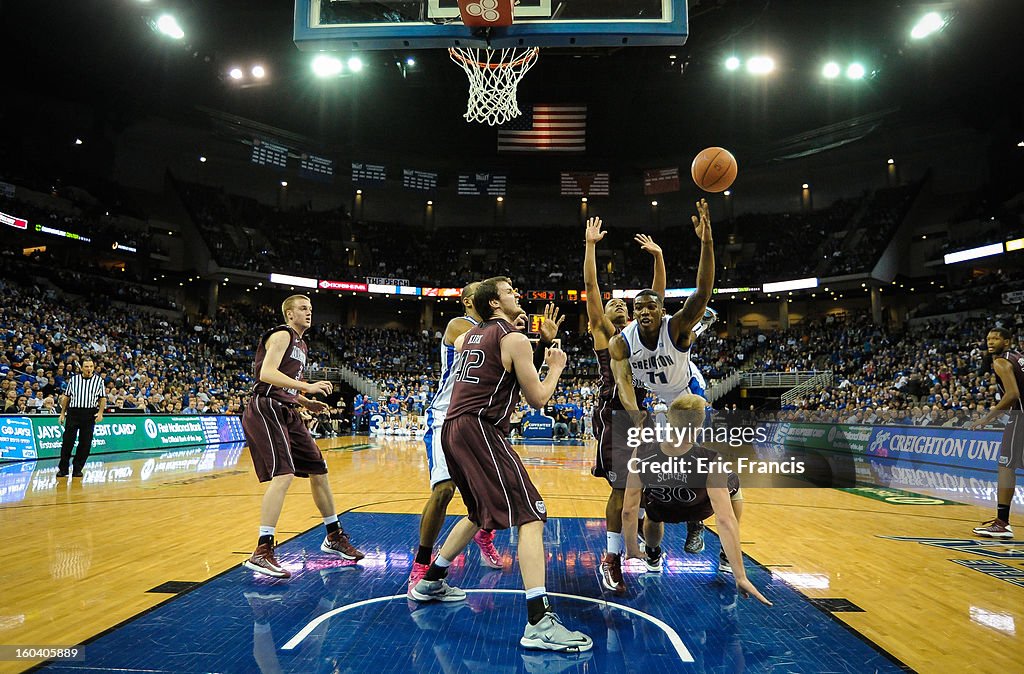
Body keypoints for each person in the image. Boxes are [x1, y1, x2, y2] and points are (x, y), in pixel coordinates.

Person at [409, 277, 591, 653]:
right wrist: (555, 365)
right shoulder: (512, 338)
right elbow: (539, 398)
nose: (517, 295)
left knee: (477, 513)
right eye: (509, 292)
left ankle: (431, 580)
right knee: (532, 515)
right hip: (479, 428)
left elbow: (502, 363)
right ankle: (540, 622)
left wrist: (536, 344)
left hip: (452, 429)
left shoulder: (475, 336)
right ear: (493, 303)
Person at [610, 198, 716, 557]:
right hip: (656, 397)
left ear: (662, 309)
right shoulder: (622, 341)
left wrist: (706, 243)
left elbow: (701, 292)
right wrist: (632, 411)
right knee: (654, 461)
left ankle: (696, 523)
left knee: (689, 459)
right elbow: (623, 382)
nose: (643, 310)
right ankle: (651, 520)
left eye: (651, 305)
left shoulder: (674, 324)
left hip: (688, 392)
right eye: (637, 306)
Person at [240, 295, 365, 579]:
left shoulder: (302, 344)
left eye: (310, 309)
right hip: (266, 406)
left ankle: (334, 535)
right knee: (283, 475)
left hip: (286, 407)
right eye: (302, 308)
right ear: (289, 313)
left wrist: (303, 401)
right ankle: (262, 550)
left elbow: (284, 382)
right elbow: (267, 373)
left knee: (318, 468)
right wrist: (306, 388)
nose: (309, 313)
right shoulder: (282, 334)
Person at [621, 393, 772, 607]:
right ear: (700, 425)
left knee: (652, 513)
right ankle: (726, 556)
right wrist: (741, 576)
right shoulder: (710, 459)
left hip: (662, 509)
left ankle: (653, 555)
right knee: (734, 484)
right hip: (699, 509)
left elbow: (629, 510)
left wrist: (632, 547)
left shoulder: (642, 451)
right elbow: (725, 520)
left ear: (670, 421)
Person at [584, 215, 666, 594]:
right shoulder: (604, 334)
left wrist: (658, 257)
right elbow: (591, 286)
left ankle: (651, 549)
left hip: (644, 414)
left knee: (648, 490)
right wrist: (591, 246)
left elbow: (657, 300)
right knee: (620, 489)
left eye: (622, 303)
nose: (616, 304)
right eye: (612, 302)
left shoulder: (640, 332)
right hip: (614, 415)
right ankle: (611, 558)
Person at [969, 327, 1023, 539]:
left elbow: (1012, 394)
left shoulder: (1000, 362)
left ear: (1007, 342)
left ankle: (1002, 523)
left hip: (1020, 417)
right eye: (989, 338)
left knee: (1005, 467)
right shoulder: (1019, 358)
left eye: (996, 338)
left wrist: (986, 418)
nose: (990, 341)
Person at [57, 357, 107, 478]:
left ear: (93, 367)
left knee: (85, 444)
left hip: (89, 414)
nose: (89, 369)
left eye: (91, 366)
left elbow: (102, 398)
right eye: (86, 366)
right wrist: (62, 413)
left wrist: (100, 413)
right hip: (73, 412)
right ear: (82, 368)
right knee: (67, 442)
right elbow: (66, 397)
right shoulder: (74, 380)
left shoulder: (99, 381)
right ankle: (63, 469)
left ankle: (77, 468)